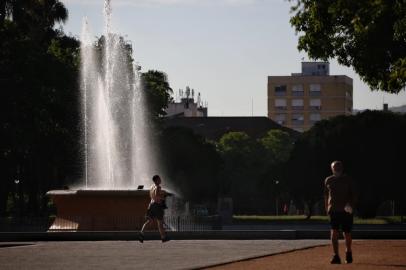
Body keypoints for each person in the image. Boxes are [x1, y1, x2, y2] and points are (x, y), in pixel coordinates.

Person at [324, 161, 356, 264]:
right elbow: (326, 195)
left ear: (342, 168)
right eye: (335, 168)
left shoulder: (348, 180)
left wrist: (350, 205)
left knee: (347, 233)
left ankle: (348, 252)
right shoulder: (328, 180)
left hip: (346, 210)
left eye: (338, 167)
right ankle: (336, 255)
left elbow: (353, 194)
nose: (337, 169)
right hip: (333, 210)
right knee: (334, 232)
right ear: (332, 169)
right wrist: (327, 208)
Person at [139, 175, 170, 243]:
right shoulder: (158, 187)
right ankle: (163, 237)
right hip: (157, 206)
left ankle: (141, 233)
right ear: (156, 180)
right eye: (159, 179)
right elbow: (157, 196)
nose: (160, 180)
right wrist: (163, 197)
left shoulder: (151, 187)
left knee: (149, 221)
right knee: (160, 223)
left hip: (151, 205)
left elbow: (152, 196)